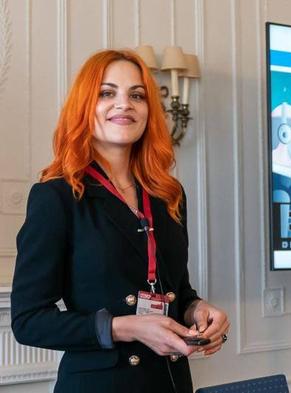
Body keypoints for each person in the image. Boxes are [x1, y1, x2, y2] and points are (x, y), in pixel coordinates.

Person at [10, 49, 229, 393]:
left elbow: (177, 291)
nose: (124, 104)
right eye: (107, 93)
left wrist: (197, 311)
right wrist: (123, 327)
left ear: (148, 111)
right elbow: (28, 321)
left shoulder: (168, 194)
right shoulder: (56, 197)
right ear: (85, 106)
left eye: (137, 95)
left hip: (170, 382)